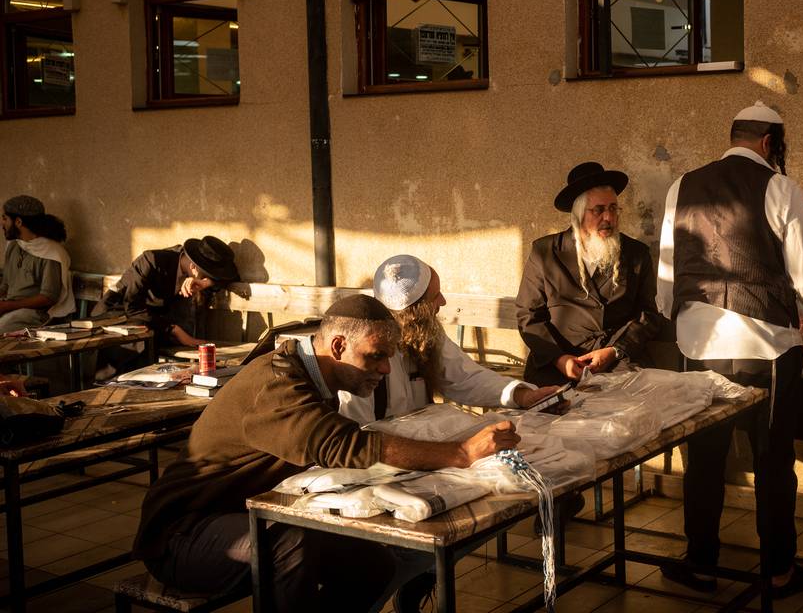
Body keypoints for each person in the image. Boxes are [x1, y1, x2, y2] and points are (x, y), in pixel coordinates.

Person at [132, 294, 520, 612]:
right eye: (375, 356)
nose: (386, 369)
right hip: (182, 535)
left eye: (390, 357)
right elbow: (342, 445)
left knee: (374, 565)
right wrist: (460, 452)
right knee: (289, 542)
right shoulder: (275, 384)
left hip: (239, 516)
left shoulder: (308, 373)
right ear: (338, 346)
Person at [657, 101, 803, 598]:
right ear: (769, 143)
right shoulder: (780, 188)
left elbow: (666, 281)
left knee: (704, 457)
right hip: (767, 350)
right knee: (772, 460)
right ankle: (779, 571)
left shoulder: (682, 186)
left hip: (697, 347)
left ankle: (701, 563)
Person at [340, 254, 566, 424]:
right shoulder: (360, 357)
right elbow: (360, 435)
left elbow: (465, 377)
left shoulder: (424, 334)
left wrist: (524, 395)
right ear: (416, 311)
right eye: (435, 296)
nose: (443, 302)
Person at [516, 161, 665, 387]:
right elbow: (528, 315)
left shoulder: (636, 254)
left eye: (613, 208)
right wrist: (559, 358)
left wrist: (615, 350)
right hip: (559, 364)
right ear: (578, 214)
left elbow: (648, 315)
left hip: (618, 361)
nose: (609, 217)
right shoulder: (545, 252)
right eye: (599, 210)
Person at [93, 236, 240, 349]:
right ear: (194, 268)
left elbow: (231, 277)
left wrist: (205, 282)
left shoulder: (193, 271)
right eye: (208, 274)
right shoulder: (151, 261)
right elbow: (132, 307)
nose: (209, 279)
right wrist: (174, 330)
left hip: (154, 323)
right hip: (117, 319)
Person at [0, 195, 74, 333]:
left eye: (4, 218)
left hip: (36, 316)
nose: (1, 223)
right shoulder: (14, 246)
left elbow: (48, 298)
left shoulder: (52, 253)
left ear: (18, 222)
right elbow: (5, 285)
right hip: (10, 310)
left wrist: (8, 306)